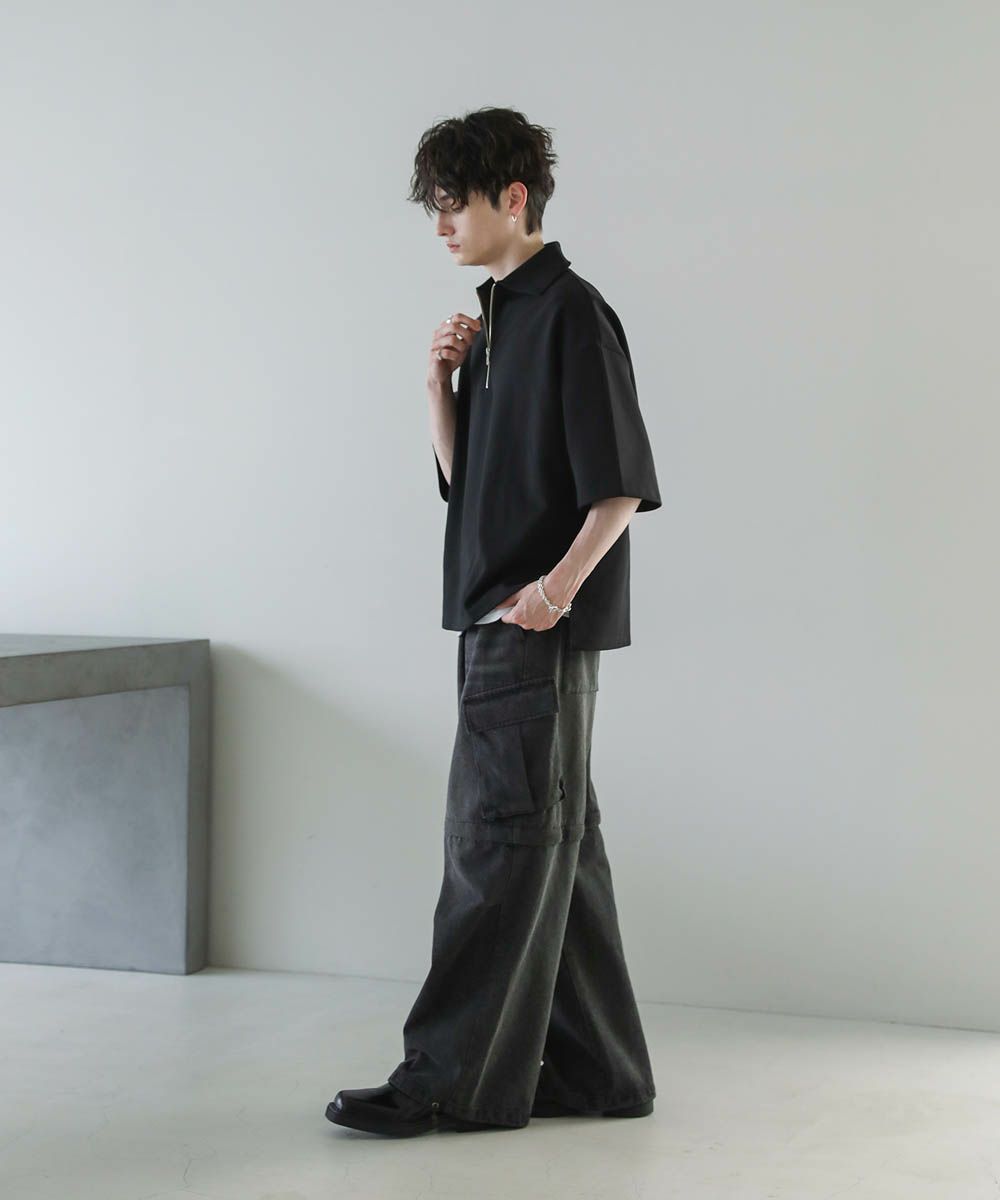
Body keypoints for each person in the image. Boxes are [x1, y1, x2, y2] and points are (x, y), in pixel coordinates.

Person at [327, 106, 662, 1137]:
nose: (440, 226)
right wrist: (437, 385)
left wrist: (551, 594)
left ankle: (447, 1081)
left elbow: (619, 485)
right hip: (500, 617)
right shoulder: (498, 322)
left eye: (451, 204)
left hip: (527, 626)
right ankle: (602, 1073)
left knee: (496, 843)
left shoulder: (570, 314)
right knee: (557, 844)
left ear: (512, 199)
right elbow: (467, 481)